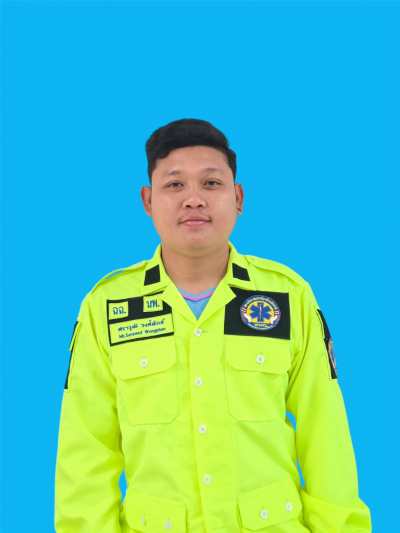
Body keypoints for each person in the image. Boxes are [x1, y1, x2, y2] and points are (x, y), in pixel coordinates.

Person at [54, 118, 372, 533]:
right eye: (174, 185)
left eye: (211, 183)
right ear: (148, 200)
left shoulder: (287, 296)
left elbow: (325, 434)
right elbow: (86, 450)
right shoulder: (108, 305)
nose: (193, 199)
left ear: (237, 197)